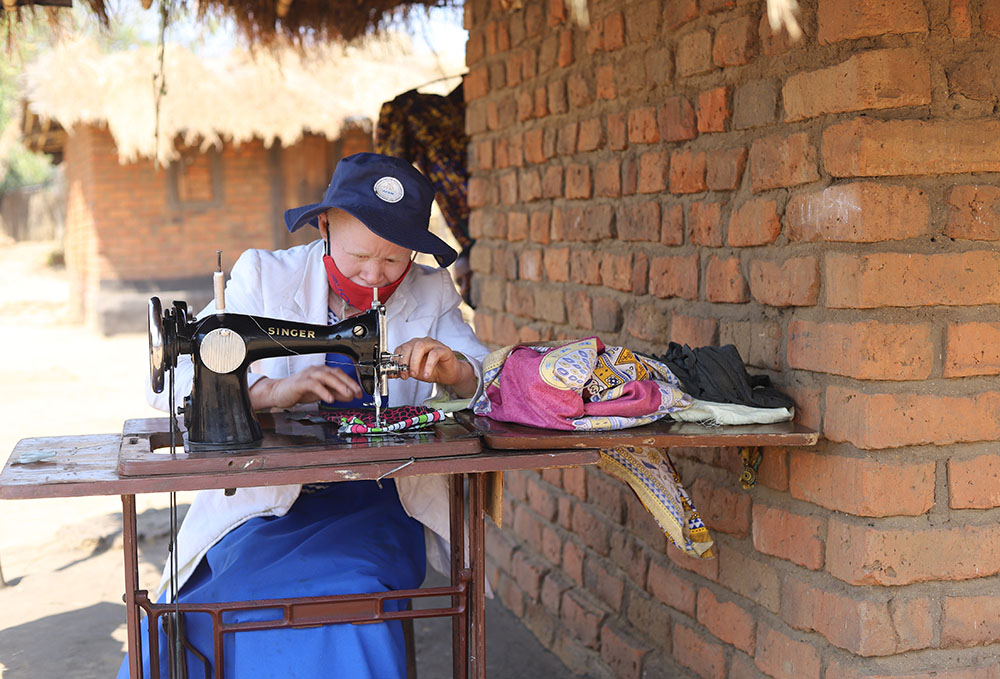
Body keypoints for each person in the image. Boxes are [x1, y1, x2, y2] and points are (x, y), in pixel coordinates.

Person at [120, 153, 488, 679]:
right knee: (229, 601)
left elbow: (483, 377)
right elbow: (174, 382)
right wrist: (271, 390)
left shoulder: (430, 291)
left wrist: (455, 371)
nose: (375, 275)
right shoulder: (265, 277)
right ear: (324, 227)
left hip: (382, 500)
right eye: (360, 255)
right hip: (269, 501)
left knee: (351, 596)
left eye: (393, 262)